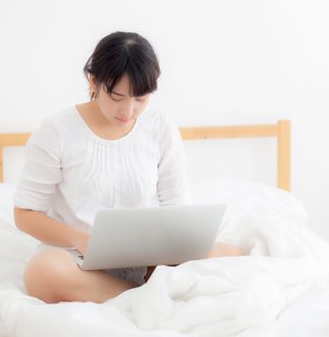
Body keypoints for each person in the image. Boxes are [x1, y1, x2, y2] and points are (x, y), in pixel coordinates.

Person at [13, 31, 244, 304]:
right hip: (79, 257)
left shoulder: (160, 126)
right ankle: (140, 295)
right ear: (94, 81)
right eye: (117, 96)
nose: (128, 110)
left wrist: (176, 246)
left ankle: (150, 283)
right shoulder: (57, 131)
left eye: (140, 98)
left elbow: (177, 203)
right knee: (42, 273)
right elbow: (25, 214)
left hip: (149, 253)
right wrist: (80, 239)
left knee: (235, 257)